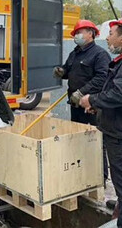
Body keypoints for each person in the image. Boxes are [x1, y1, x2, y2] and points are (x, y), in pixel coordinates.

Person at [53, 19, 110, 183]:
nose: (76, 36)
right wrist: (61, 72)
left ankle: (101, 178)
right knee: (78, 138)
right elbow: (67, 70)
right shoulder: (74, 53)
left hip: (91, 106)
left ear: (91, 33)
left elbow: (102, 78)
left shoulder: (100, 55)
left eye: (80, 32)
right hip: (75, 105)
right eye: (76, 33)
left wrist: (82, 92)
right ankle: (80, 172)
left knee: (95, 140)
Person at [80, 19, 122, 227]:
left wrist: (92, 99)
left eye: (112, 33)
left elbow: (119, 93)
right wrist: (99, 106)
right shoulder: (119, 61)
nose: (108, 37)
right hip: (113, 124)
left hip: (118, 133)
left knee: (120, 176)